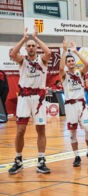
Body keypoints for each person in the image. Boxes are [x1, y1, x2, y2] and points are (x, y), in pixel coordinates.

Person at [8, 27, 51, 174]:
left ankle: (41, 160)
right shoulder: (22, 61)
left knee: (41, 129)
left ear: (36, 48)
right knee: (20, 131)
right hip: (24, 98)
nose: (31, 47)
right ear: (26, 49)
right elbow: (13, 53)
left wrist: (35, 37)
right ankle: (19, 160)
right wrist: (24, 38)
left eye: (33, 46)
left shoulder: (42, 60)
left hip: (38, 98)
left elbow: (49, 52)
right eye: (29, 46)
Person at [59, 40, 88, 167]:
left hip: (81, 105)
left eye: (72, 61)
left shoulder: (79, 73)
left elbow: (86, 64)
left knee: (87, 129)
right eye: (69, 61)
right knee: (72, 132)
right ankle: (76, 156)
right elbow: (60, 68)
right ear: (66, 64)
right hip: (70, 106)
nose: (71, 62)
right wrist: (64, 51)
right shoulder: (64, 75)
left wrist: (75, 51)